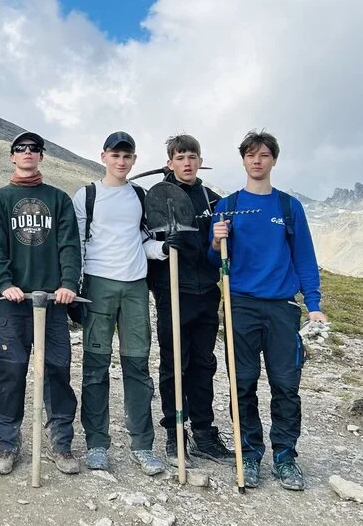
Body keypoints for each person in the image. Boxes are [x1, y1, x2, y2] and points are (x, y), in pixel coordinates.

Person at [210, 130, 327, 491]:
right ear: (243, 160)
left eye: (263, 155)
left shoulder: (289, 207)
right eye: (250, 155)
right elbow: (213, 258)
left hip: (281, 307)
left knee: (286, 385)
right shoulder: (227, 206)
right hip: (239, 304)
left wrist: (314, 306)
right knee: (241, 383)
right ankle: (248, 452)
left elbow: (304, 258)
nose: (256, 161)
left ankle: (285, 456)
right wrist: (216, 240)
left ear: (273, 160)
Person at [0, 131, 82, 476]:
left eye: (34, 149)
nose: (27, 153)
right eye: (21, 149)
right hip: (13, 303)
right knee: (10, 373)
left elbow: (70, 245)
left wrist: (69, 284)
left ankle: (60, 442)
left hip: (52, 304)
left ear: (41, 156)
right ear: (12, 156)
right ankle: (7, 443)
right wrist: (5, 283)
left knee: (57, 371)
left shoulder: (58, 200)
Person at [72, 131, 168, 476]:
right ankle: (97, 443)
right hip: (98, 285)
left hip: (135, 288)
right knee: (96, 367)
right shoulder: (87, 196)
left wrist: (162, 250)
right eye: (115, 155)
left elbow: (143, 240)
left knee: (137, 367)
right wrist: (74, 285)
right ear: (103, 156)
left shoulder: (139, 196)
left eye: (127, 156)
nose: (121, 161)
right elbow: (77, 245)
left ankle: (142, 445)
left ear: (134, 159)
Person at [146, 135, 233, 466]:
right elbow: (146, 243)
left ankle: (204, 432)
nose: (187, 162)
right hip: (172, 291)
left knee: (204, 364)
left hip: (206, 292)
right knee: (174, 364)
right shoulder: (157, 198)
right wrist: (164, 246)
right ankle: (174, 432)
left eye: (192, 156)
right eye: (180, 157)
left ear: (200, 161)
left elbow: (220, 248)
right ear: (169, 162)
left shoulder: (213, 201)